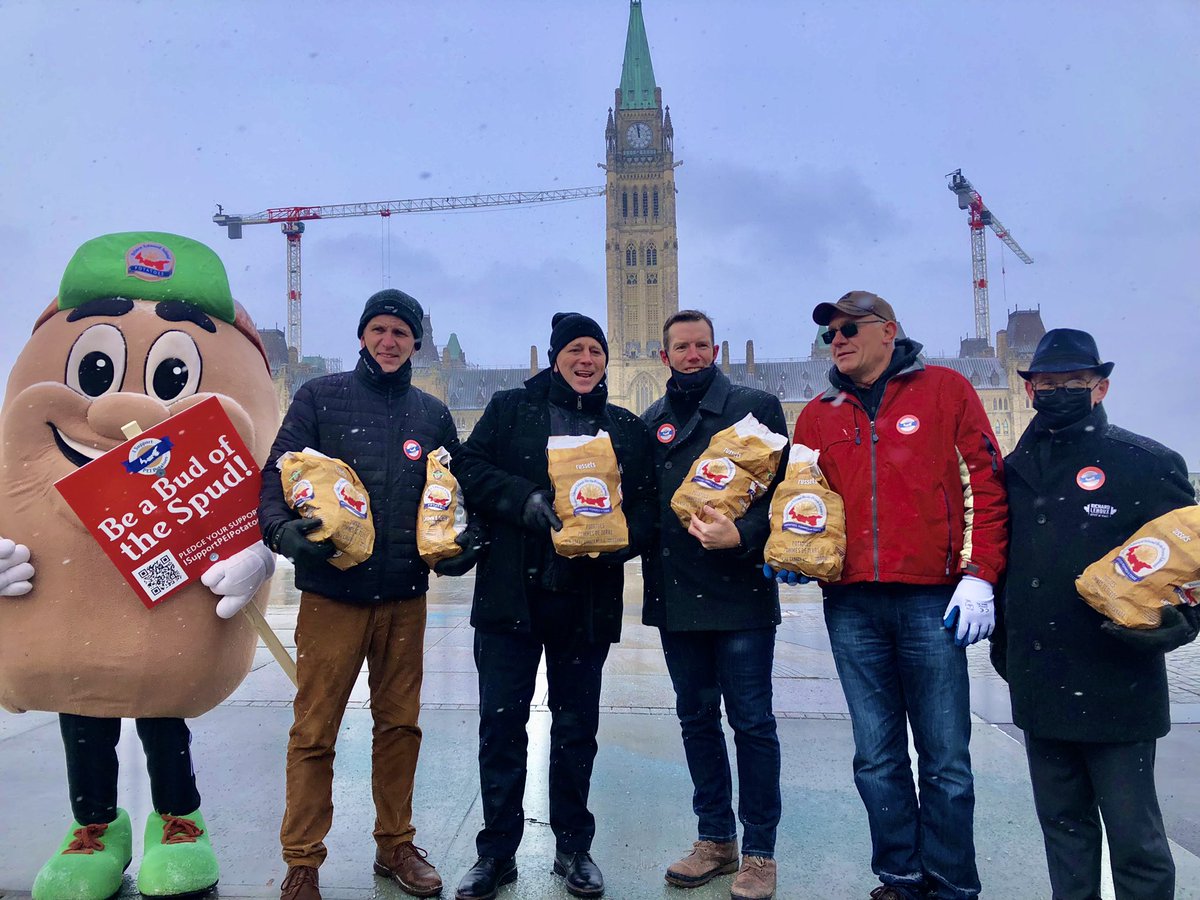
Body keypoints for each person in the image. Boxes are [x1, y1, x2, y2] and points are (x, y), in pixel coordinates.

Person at [782, 291, 1008, 900]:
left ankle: (953, 882)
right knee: (876, 758)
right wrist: (793, 553)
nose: (839, 340)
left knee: (945, 760)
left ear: (890, 331)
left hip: (929, 598)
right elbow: (803, 502)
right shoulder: (817, 414)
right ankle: (901, 876)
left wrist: (981, 573)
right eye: (830, 334)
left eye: (850, 328)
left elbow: (984, 485)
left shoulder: (945, 389)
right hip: (851, 602)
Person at [259, 288, 480, 900]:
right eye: (379, 330)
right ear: (363, 336)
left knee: (400, 727)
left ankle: (395, 845)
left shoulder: (431, 412)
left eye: (401, 334)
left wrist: (462, 548)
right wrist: (281, 532)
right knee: (315, 731)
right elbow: (277, 473)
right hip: (333, 596)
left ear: (416, 343)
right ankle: (302, 861)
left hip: (405, 598)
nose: (389, 341)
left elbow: (458, 492)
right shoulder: (319, 398)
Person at [450, 312, 655, 900]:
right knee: (502, 729)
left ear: (606, 360)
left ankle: (573, 848)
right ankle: (496, 854)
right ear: (554, 355)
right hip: (511, 599)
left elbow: (646, 510)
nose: (585, 359)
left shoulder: (625, 428)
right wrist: (524, 499)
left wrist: (618, 540)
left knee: (575, 731)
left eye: (595, 350)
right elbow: (469, 467)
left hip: (584, 603)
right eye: (575, 350)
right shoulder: (510, 408)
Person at [990, 328, 1198, 900]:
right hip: (1037, 677)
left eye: (1073, 383)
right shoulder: (1011, 470)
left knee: (1136, 840)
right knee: (1064, 831)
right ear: (1029, 390)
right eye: (1046, 384)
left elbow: (1191, 562)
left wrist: (1175, 626)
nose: (1056, 393)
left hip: (1116, 678)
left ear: (1101, 387)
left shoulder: (1146, 463)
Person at [642, 310, 789, 900]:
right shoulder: (652, 419)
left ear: (715, 347)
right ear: (665, 355)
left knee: (752, 723)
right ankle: (715, 839)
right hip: (677, 595)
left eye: (702, 345)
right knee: (696, 719)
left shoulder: (756, 406)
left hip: (740, 592)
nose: (693, 354)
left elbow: (786, 490)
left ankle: (759, 852)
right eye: (682, 346)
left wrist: (745, 537)